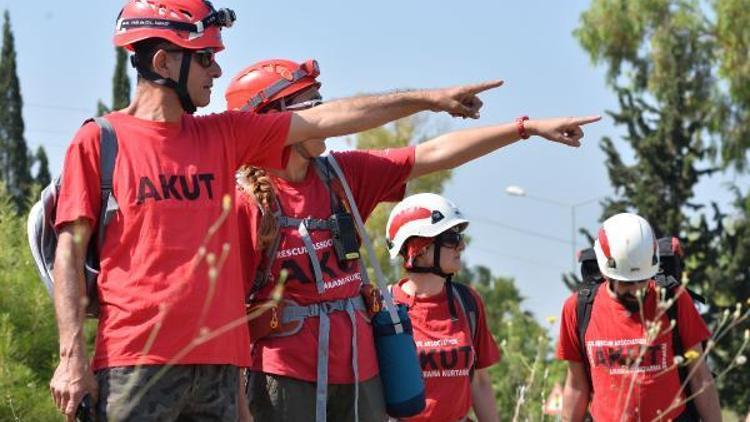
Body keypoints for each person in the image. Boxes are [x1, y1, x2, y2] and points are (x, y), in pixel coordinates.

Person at [47, 1, 508, 420]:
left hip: (220, 369)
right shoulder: (100, 140)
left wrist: (430, 99)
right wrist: (71, 357)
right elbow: (68, 252)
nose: (216, 68)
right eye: (205, 57)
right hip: (136, 361)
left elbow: (335, 117)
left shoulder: (222, 136)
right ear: (163, 62)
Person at [226, 58, 601, 421]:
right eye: (311, 108)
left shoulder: (343, 176)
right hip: (284, 377)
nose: (325, 117)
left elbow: (436, 153)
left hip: (362, 375)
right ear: (272, 121)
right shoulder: (245, 204)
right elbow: (228, 320)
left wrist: (525, 128)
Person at [556, 213, 722, 421]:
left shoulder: (674, 300)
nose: (636, 290)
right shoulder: (578, 308)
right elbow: (576, 386)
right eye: (626, 283)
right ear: (606, 272)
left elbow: (699, 377)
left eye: (642, 280)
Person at [385, 193, 500, 422]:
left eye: (459, 237)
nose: (462, 246)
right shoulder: (383, 307)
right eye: (451, 238)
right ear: (420, 248)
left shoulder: (468, 302)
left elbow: (479, 382)